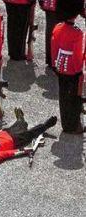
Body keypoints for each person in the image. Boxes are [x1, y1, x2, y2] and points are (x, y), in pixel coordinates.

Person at [51, 0, 85, 134]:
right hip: (73, 69)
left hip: (60, 66)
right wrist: (79, 72)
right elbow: (77, 56)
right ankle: (73, 125)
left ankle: (66, 124)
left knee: (63, 96)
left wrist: (55, 65)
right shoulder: (77, 33)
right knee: (73, 98)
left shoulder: (57, 27)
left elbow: (54, 48)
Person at [39, 0, 58, 67]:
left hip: (50, 5)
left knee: (50, 31)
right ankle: (54, 60)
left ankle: (50, 59)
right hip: (61, 6)